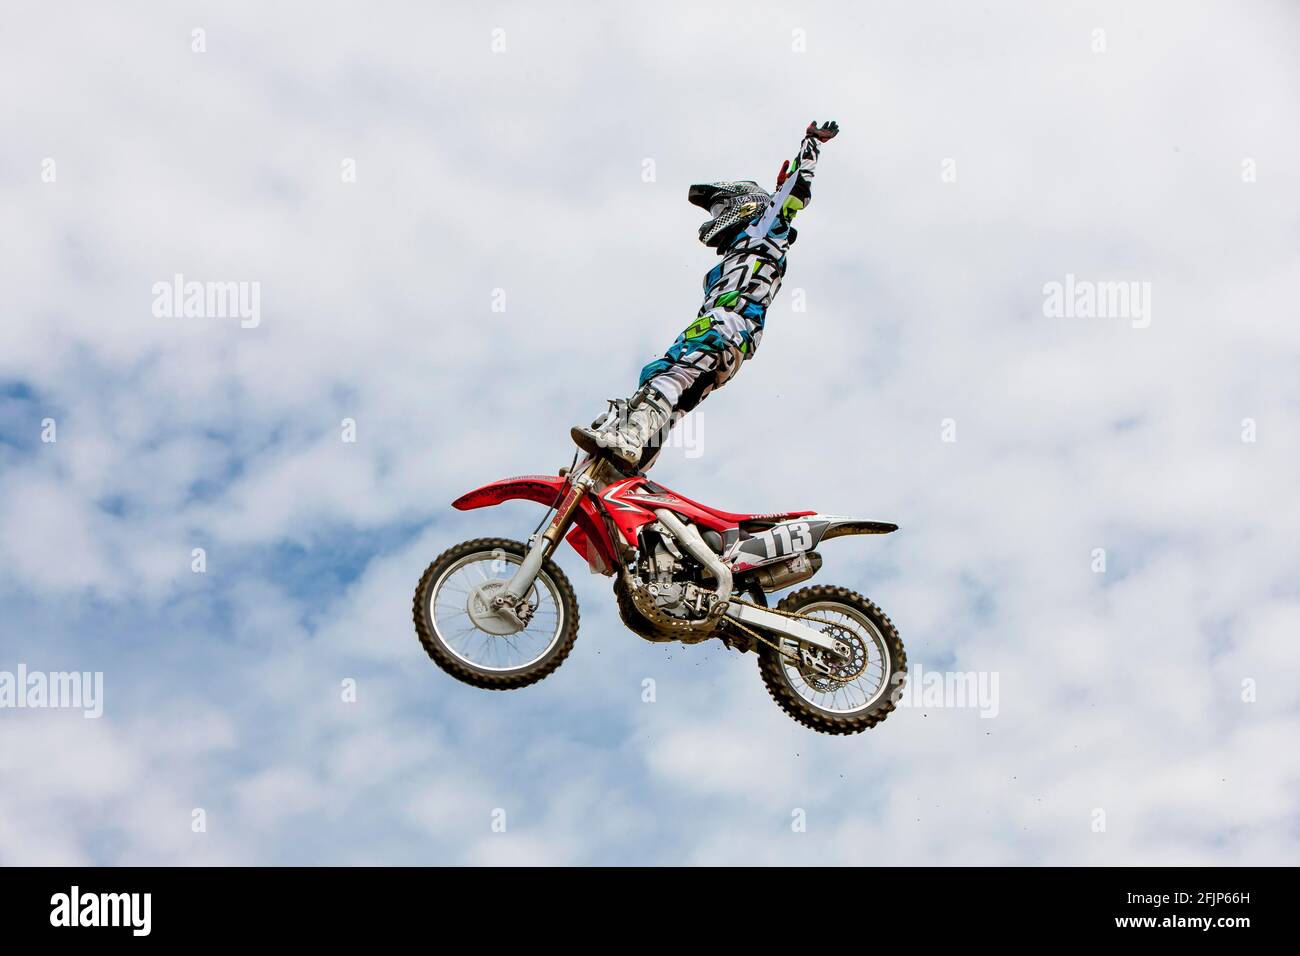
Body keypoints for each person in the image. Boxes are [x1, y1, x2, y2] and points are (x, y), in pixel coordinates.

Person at [571, 120, 840, 471]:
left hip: (728, 324)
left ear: (744, 206)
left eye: (718, 209)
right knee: (676, 393)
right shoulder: (754, 243)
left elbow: (795, 194)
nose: (714, 218)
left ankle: (629, 439)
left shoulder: (765, 228)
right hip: (736, 339)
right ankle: (624, 468)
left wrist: (811, 145)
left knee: (667, 375)